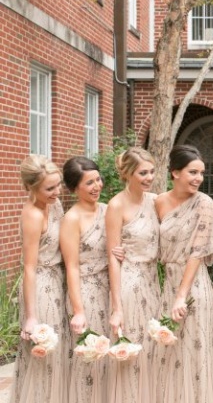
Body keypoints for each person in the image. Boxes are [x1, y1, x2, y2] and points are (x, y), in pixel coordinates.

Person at [154, 145, 213, 403]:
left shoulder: (204, 203)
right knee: (169, 354)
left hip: (194, 287)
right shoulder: (158, 201)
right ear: (175, 173)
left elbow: (197, 250)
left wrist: (181, 296)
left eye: (202, 173)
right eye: (193, 172)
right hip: (167, 284)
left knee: (195, 354)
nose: (199, 179)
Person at [11, 155, 69, 403]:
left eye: (59, 185)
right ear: (30, 187)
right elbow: (29, 268)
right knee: (46, 356)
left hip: (59, 281)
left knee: (61, 354)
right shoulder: (33, 215)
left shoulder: (54, 204)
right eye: (49, 188)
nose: (57, 191)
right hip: (42, 289)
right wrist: (32, 316)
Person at [106, 148, 160, 402]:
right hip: (129, 283)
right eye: (143, 173)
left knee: (153, 349)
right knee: (133, 351)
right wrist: (117, 307)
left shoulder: (155, 201)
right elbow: (112, 259)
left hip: (153, 282)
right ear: (127, 173)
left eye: (151, 171)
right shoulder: (116, 205)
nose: (149, 177)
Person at [60, 157, 110, 403]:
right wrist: (78, 311)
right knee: (89, 359)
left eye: (98, 179)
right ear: (74, 188)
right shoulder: (71, 219)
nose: (96, 186)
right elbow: (72, 267)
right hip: (86, 293)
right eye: (89, 182)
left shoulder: (108, 209)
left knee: (110, 358)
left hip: (111, 291)